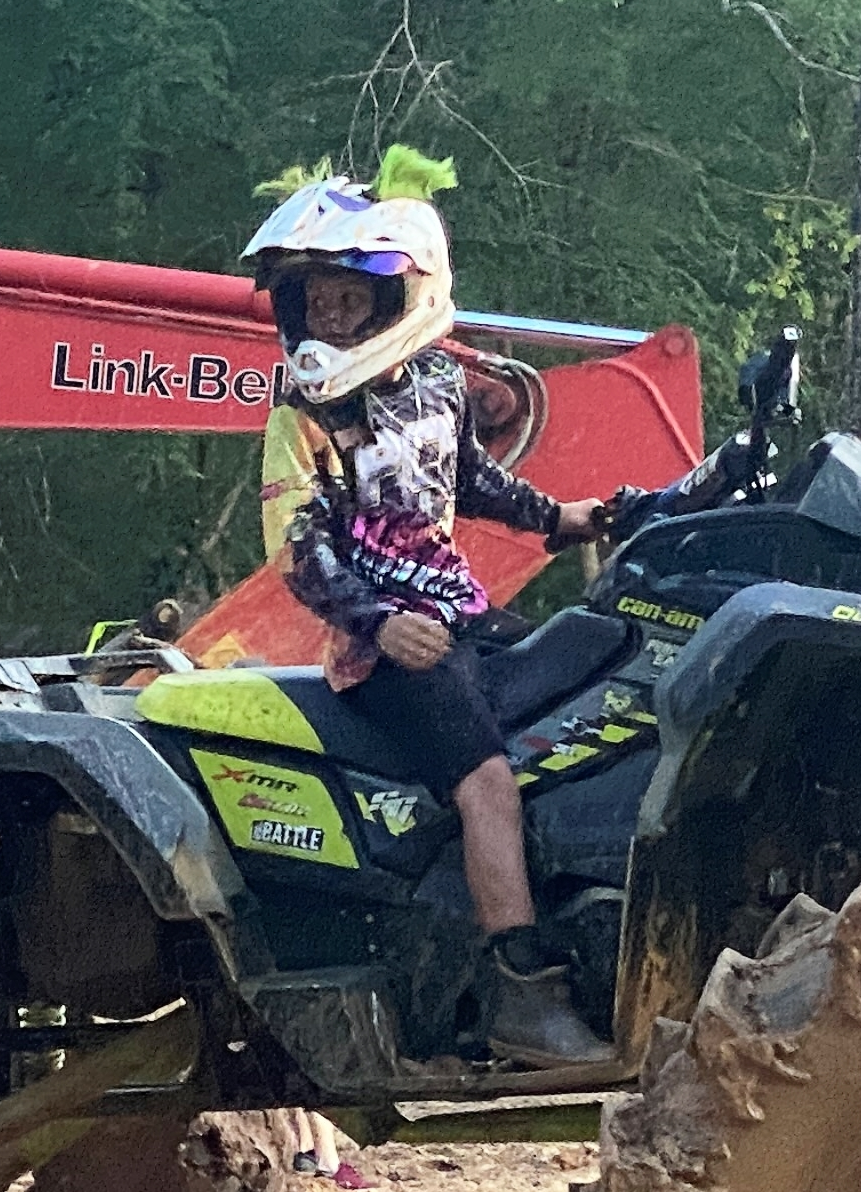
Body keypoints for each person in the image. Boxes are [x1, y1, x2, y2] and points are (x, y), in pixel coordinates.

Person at [244, 149, 611, 1067]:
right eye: (314, 300)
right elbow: (302, 546)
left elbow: (475, 484)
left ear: (399, 299)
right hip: (385, 646)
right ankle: (521, 994)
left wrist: (569, 518)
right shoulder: (303, 416)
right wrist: (377, 624)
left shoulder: (438, 390)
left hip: (463, 611)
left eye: (346, 299)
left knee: (589, 703)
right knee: (487, 781)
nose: (326, 316)